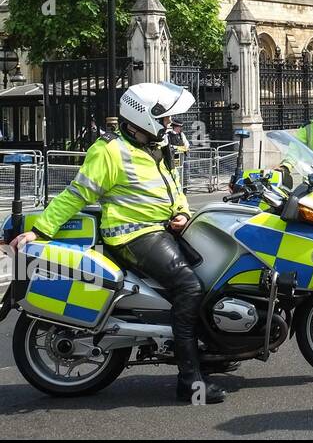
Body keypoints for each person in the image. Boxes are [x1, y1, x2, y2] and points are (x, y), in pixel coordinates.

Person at [6, 82, 227, 404]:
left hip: (163, 228)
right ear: (145, 117)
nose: (169, 125)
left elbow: (173, 187)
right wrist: (41, 231)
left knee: (213, 275)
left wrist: (181, 211)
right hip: (133, 234)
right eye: (164, 119)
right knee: (189, 286)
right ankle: (190, 381)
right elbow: (77, 193)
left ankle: (212, 350)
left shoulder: (156, 147)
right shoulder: (110, 150)